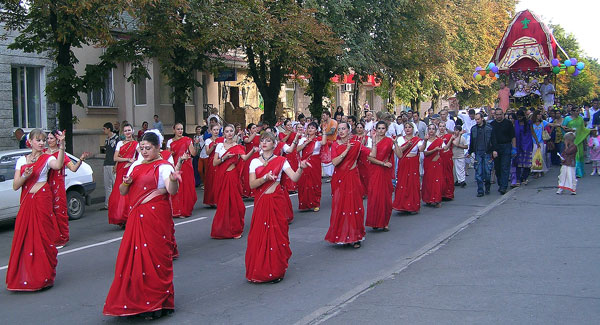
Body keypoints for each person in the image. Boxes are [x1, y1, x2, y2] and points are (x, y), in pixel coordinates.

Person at [103, 131, 181, 318]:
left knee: (156, 259)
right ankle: (136, 300)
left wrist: (173, 180)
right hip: (136, 217)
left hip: (156, 218)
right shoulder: (135, 166)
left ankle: (159, 301)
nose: (144, 151)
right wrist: (126, 183)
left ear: (157, 148)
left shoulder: (163, 166)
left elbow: (171, 190)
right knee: (135, 259)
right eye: (142, 148)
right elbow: (123, 192)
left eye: (148, 148)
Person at [7, 129, 66, 291]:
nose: (41, 143)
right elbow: (15, 185)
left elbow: (59, 165)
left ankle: (43, 276)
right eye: (38, 140)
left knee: (43, 236)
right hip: (27, 202)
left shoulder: (47, 159)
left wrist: (62, 146)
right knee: (25, 238)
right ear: (30, 142)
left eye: (43, 140)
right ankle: (24, 277)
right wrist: (25, 175)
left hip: (42, 199)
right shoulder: (22, 160)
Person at [245, 132, 308, 283]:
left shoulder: (281, 160)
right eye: (262, 140)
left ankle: (275, 270)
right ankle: (259, 270)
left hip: (276, 201)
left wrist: (301, 168)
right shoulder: (254, 162)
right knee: (259, 235)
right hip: (261, 202)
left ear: (274, 144)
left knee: (277, 234)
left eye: (268, 140)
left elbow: (294, 177)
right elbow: (252, 184)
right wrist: (265, 178)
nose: (264, 143)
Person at [324, 122, 365, 249]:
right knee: (340, 206)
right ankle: (341, 235)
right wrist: (346, 150)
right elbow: (335, 162)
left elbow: (367, 155)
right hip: (339, 179)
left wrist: (374, 142)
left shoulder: (357, 144)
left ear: (349, 130)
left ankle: (356, 236)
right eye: (339, 129)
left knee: (353, 206)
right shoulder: (335, 145)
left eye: (344, 129)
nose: (341, 131)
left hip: (352, 177)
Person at [46, 131, 90, 247]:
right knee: (47, 212)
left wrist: (81, 159)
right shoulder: (44, 153)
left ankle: (61, 237)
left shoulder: (62, 154)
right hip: (46, 186)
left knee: (59, 211)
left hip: (58, 186)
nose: (49, 140)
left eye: (51, 138)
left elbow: (73, 168)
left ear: (58, 140)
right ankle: (50, 236)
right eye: (48, 138)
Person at [211, 125, 255, 239]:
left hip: (233, 177)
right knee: (223, 203)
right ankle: (222, 229)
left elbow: (244, 158)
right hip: (221, 176)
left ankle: (235, 228)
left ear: (234, 132)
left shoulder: (238, 146)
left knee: (236, 203)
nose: (229, 133)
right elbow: (214, 163)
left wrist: (252, 151)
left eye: (231, 131)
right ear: (223, 133)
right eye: (227, 131)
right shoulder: (220, 145)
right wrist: (225, 158)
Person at [365, 121, 394, 231]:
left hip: (385, 171)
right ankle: (375, 221)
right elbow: (369, 157)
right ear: (376, 129)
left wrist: (395, 143)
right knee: (375, 195)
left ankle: (385, 222)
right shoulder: (371, 140)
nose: (381, 130)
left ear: (386, 130)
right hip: (375, 170)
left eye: (383, 128)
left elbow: (399, 155)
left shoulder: (389, 141)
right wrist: (382, 163)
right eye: (379, 128)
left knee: (386, 196)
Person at [108, 123, 138, 226]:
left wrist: (133, 161)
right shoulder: (120, 143)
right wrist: (127, 159)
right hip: (121, 169)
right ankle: (120, 217)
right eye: (125, 131)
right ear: (123, 132)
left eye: (129, 130)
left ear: (132, 131)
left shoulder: (136, 144)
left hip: (130, 169)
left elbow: (141, 155)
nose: (127, 132)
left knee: (129, 193)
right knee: (119, 193)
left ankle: (129, 216)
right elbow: (115, 158)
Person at [166, 122, 197, 217]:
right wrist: (171, 153)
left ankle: (185, 209)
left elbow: (194, 154)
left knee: (186, 187)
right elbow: (166, 155)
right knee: (177, 187)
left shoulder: (187, 140)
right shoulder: (170, 141)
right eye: (178, 129)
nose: (180, 131)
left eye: (181, 129)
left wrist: (194, 145)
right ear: (174, 130)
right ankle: (177, 210)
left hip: (186, 166)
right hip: (175, 165)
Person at [392, 122, 422, 213]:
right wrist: (407, 145)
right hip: (404, 162)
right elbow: (398, 151)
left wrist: (425, 141)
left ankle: (412, 205)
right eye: (406, 127)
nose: (408, 129)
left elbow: (421, 149)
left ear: (413, 129)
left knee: (412, 183)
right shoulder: (400, 139)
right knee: (403, 182)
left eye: (410, 127)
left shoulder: (417, 140)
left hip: (413, 163)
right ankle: (402, 205)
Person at [296, 122, 323, 212]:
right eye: (309, 128)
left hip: (315, 163)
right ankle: (304, 204)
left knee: (315, 182)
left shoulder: (319, 139)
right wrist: (306, 143)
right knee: (303, 182)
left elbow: (324, 143)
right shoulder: (303, 139)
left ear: (316, 130)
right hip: (305, 162)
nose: (310, 129)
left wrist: (325, 133)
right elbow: (297, 149)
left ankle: (316, 203)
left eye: (312, 128)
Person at [490, 108, 516, 195]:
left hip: (506, 146)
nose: (498, 116)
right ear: (495, 115)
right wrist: (493, 149)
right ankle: (501, 183)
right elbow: (490, 139)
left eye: (500, 114)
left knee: (505, 167)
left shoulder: (508, 123)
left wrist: (514, 148)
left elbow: (513, 136)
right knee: (498, 168)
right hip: (496, 147)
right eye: (497, 114)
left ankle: (503, 186)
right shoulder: (492, 124)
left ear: (503, 114)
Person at [468, 113, 494, 197]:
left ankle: (487, 186)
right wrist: (470, 152)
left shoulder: (489, 128)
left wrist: (494, 150)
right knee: (478, 173)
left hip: (487, 152)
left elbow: (493, 140)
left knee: (487, 172)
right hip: (478, 152)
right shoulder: (474, 129)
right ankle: (480, 190)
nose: (477, 121)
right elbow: (472, 141)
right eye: (476, 119)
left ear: (482, 118)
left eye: (478, 119)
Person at [563, 107, 590, 177]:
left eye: (578, 111)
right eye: (576, 111)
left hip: (579, 139)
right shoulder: (567, 119)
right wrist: (569, 130)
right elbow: (563, 127)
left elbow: (583, 129)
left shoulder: (580, 119)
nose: (578, 113)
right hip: (571, 139)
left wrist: (589, 130)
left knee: (579, 155)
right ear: (572, 112)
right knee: (573, 156)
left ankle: (579, 172)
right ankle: (572, 172)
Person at [420, 124, 444, 207]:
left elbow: (444, 149)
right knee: (428, 180)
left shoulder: (440, 141)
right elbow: (425, 153)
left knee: (437, 180)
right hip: (428, 162)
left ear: (435, 130)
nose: (431, 130)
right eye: (429, 129)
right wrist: (435, 150)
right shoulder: (425, 141)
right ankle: (428, 199)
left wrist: (451, 139)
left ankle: (437, 199)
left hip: (437, 162)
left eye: (433, 129)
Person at [203, 124, 222, 206]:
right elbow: (207, 152)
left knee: (219, 180)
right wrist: (213, 147)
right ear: (210, 131)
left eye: (217, 130)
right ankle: (211, 200)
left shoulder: (222, 140)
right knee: (212, 180)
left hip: (220, 161)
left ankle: (219, 199)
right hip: (211, 161)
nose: (216, 131)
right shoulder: (208, 140)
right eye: (214, 130)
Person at [279, 119, 299, 193]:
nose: (290, 126)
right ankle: (287, 186)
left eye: (291, 125)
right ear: (285, 126)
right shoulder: (281, 133)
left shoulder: (295, 133)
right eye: (288, 125)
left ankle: (294, 186)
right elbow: (283, 141)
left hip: (293, 152)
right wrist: (289, 134)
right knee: (287, 169)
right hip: (286, 152)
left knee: (294, 168)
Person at [513, 109, 533, 186]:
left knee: (527, 163)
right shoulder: (515, 123)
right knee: (518, 162)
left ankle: (524, 177)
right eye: (518, 117)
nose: (519, 118)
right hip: (518, 144)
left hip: (527, 144)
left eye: (520, 117)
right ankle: (518, 178)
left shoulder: (528, 123)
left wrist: (537, 142)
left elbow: (532, 132)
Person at [102, 122, 119, 210]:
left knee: (115, 184)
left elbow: (119, 153)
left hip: (113, 164)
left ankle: (117, 203)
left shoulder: (116, 139)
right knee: (107, 185)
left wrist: (116, 164)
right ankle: (107, 204)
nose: (103, 130)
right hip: (106, 163)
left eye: (104, 129)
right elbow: (106, 152)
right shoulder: (106, 139)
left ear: (109, 129)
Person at [242, 123, 261, 197]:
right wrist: (254, 133)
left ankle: (255, 191)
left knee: (257, 173)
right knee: (248, 174)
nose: (255, 129)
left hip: (257, 156)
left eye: (255, 127)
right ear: (249, 130)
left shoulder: (259, 136)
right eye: (253, 128)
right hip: (249, 157)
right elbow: (248, 141)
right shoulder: (245, 137)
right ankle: (247, 192)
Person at [438, 122, 455, 200]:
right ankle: (441, 193)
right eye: (440, 126)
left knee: (448, 174)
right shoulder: (436, 137)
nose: (442, 128)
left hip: (447, 157)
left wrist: (451, 139)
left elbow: (454, 144)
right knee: (440, 175)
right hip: (439, 157)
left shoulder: (449, 136)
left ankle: (448, 193)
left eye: (443, 126)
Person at [531, 110, 549, 178]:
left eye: (540, 115)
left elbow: (551, 124)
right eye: (538, 114)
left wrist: (560, 125)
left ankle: (540, 171)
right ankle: (535, 171)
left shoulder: (543, 123)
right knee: (534, 157)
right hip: (534, 143)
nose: (539, 116)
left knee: (541, 157)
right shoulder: (531, 124)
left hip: (541, 142)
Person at [321, 111, 338, 179]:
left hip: (333, 142)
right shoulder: (324, 123)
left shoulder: (333, 122)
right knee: (326, 159)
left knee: (332, 159)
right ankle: (328, 174)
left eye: (324, 115)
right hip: (326, 142)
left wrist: (324, 134)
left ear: (328, 115)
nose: (323, 117)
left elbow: (332, 131)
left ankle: (333, 175)